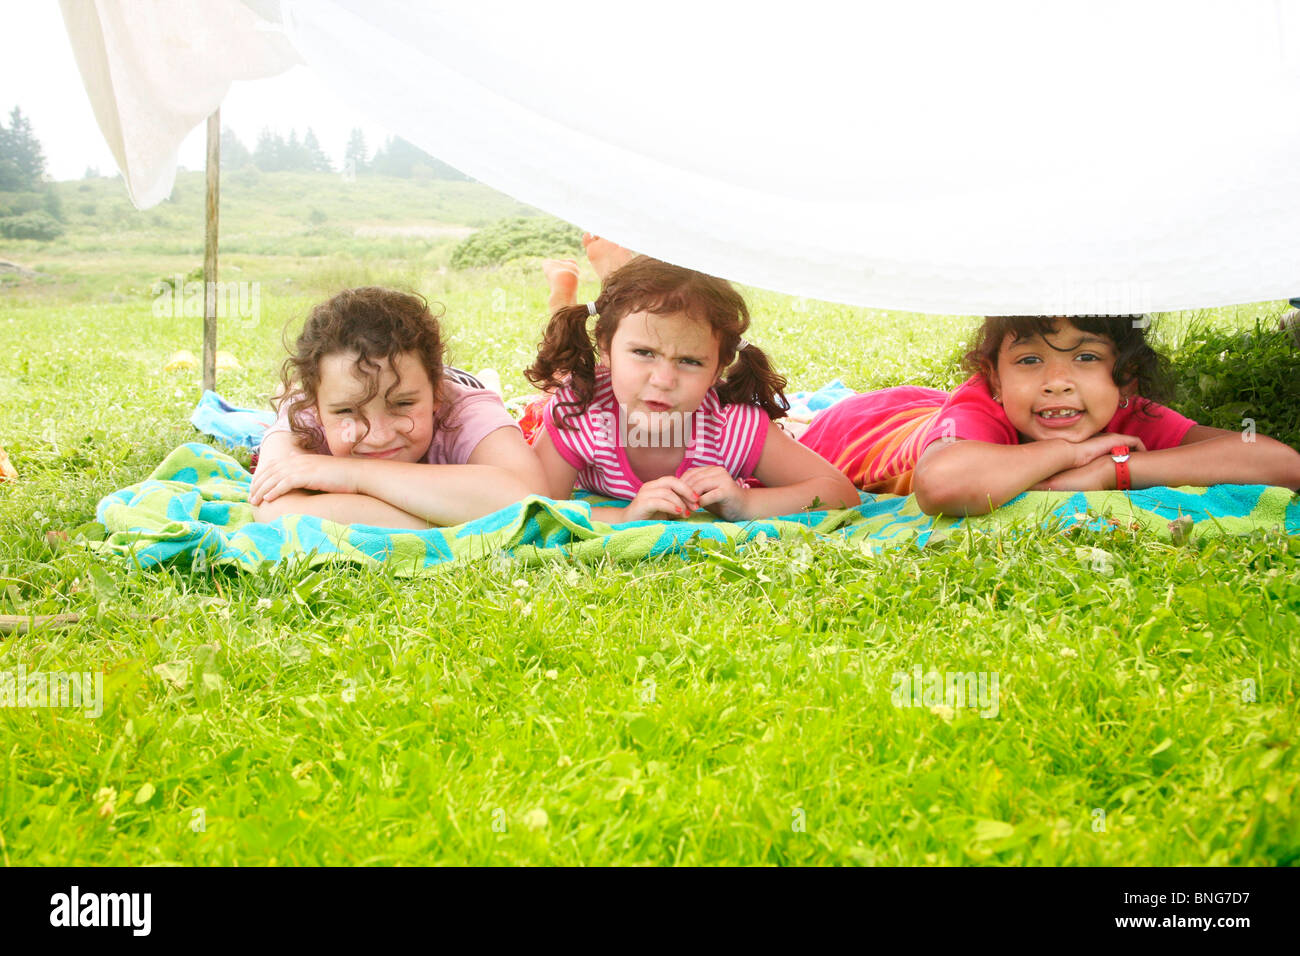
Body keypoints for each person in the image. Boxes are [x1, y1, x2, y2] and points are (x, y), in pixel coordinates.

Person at [800, 315, 1300, 516]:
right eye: (1029, 360)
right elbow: (944, 485)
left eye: (1085, 358)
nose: (1057, 381)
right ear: (994, 379)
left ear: (1126, 379)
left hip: (929, 413)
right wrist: (1070, 452)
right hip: (865, 428)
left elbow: (1276, 462)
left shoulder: (1121, 409)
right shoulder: (982, 404)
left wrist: (1114, 469)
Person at [525, 256, 861, 523]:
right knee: (562, 376)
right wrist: (623, 516)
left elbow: (839, 492)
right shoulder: (578, 411)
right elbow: (533, 511)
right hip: (595, 384)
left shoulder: (732, 428)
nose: (663, 379)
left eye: (689, 361)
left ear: (719, 367)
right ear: (607, 347)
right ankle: (563, 294)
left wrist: (746, 503)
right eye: (644, 353)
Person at [250, 287, 547, 528]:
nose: (378, 436)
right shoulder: (303, 413)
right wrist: (453, 516)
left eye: (402, 404)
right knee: (286, 397)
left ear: (436, 393)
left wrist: (354, 474)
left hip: (459, 384)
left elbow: (534, 502)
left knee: (484, 393)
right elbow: (275, 511)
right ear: (315, 407)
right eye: (346, 412)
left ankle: (486, 382)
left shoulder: (463, 411)